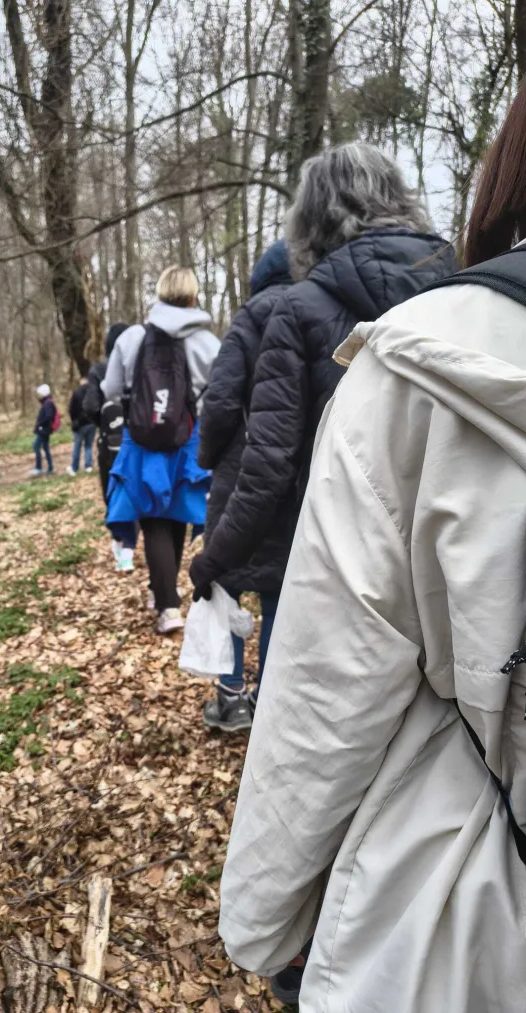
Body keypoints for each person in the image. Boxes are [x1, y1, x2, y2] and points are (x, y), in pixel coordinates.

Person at [218, 98, 526, 1012]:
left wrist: (267, 923)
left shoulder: (345, 326)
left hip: (472, 885)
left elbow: (327, 693)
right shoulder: (443, 290)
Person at [190, 141, 457, 728]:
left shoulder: (298, 309)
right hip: (454, 555)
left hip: (347, 558)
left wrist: (216, 558)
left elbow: (269, 460)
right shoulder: (461, 288)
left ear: (309, 218)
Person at [198, 240, 292, 733]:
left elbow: (218, 403)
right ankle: (270, 698)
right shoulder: (316, 314)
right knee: (279, 590)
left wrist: (208, 457)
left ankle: (231, 696)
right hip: (295, 480)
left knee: (229, 586)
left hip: (239, 476)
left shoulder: (246, 323)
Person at [103, 265, 220, 633]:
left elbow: (109, 389)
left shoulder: (132, 337)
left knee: (153, 517)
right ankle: (165, 593)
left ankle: (167, 604)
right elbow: (220, 393)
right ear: (192, 296)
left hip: (141, 440)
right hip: (189, 441)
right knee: (177, 514)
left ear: (159, 293)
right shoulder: (208, 343)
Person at [84, 322, 138, 572]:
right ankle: (128, 546)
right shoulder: (139, 366)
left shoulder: (99, 371)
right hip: (135, 440)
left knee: (111, 492)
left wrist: (104, 424)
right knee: (133, 491)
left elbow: (90, 406)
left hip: (108, 444)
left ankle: (119, 542)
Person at [67, 377, 96, 475]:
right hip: (91, 423)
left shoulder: (76, 392)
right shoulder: (92, 392)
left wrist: (74, 420)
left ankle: (74, 468)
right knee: (88, 445)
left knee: (77, 446)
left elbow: (71, 409)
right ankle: (88, 466)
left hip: (79, 424)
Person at [30, 383, 56, 477]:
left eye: (40, 394)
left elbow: (49, 417)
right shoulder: (47, 402)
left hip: (44, 430)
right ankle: (50, 467)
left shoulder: (48, 403)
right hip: (45, 429)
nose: (38, 396)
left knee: (36, 446)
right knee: (45, 448)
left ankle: (39, 467)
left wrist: (40, 424)